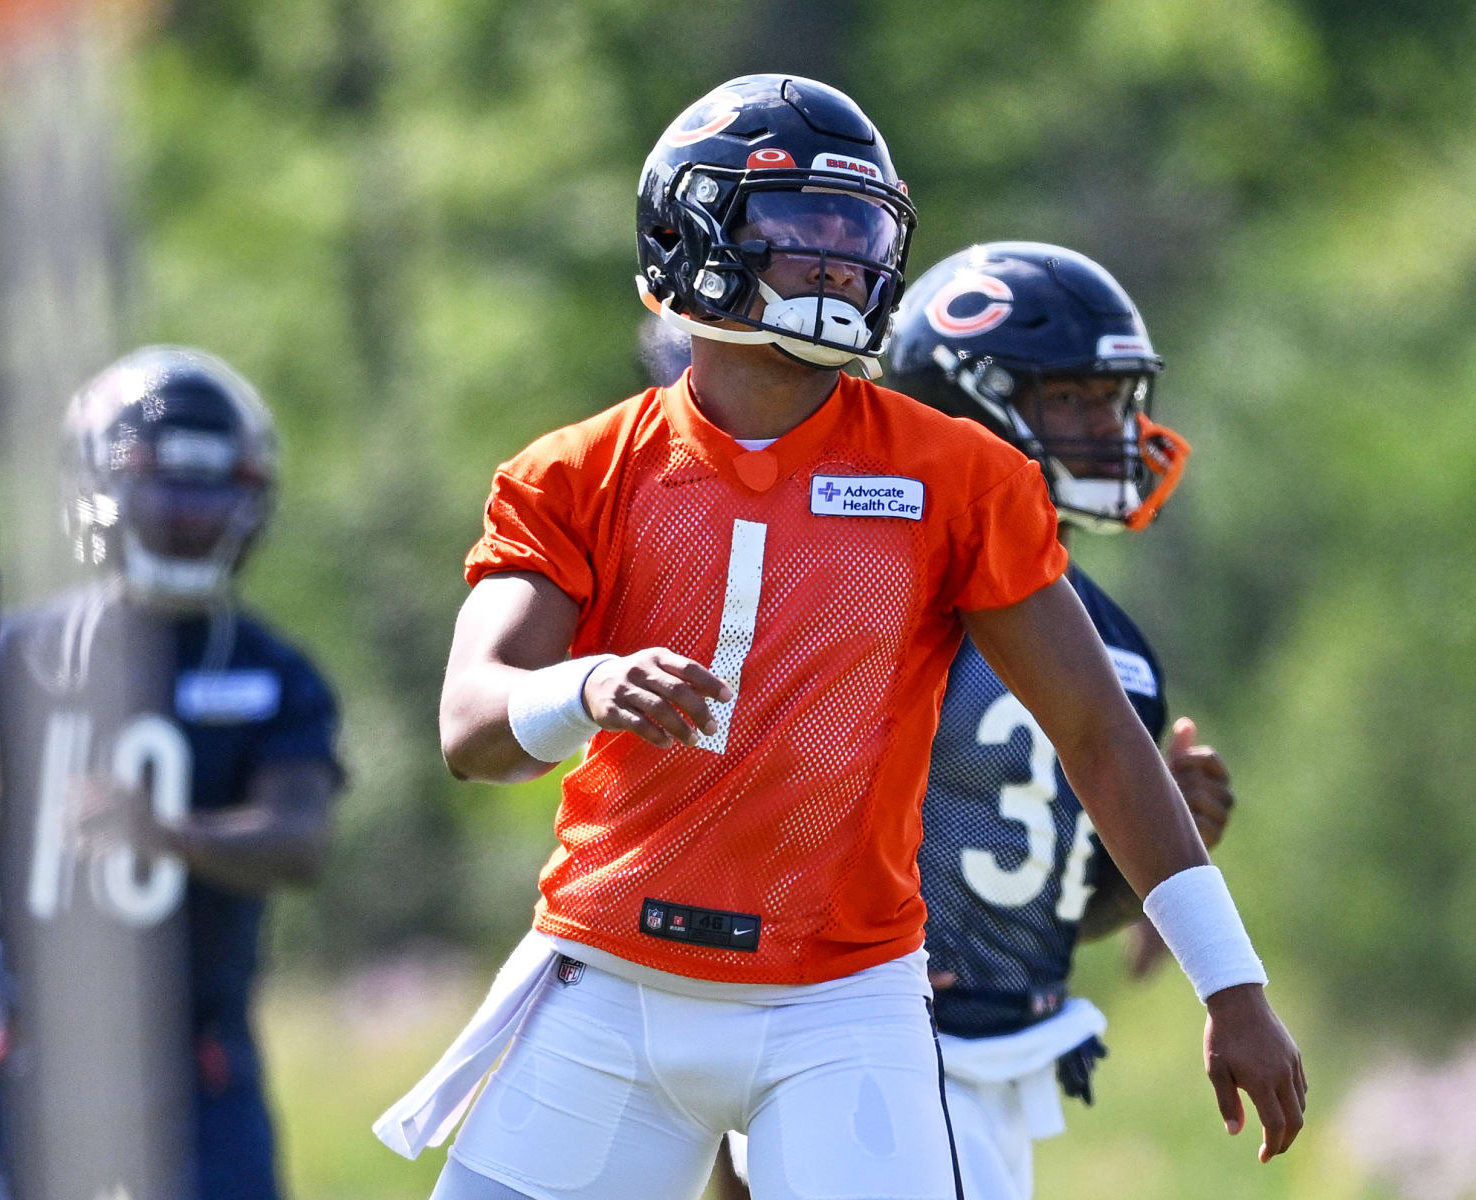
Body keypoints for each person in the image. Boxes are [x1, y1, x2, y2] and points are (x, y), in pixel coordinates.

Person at [374, 75, 1304, 1200]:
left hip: (838, 1002)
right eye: (799, 229)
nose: (837, 262)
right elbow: (474, 728)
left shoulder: (956, 475)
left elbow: (1099, 736)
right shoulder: (577, 471)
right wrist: (588, 685)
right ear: (690, 232)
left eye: (854, 232)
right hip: (612, 978)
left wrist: (1233, 986)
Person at [711, 244, 1235, 1200]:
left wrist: (1154, 864)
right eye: (1070, 401)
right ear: (972, 403)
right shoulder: (876, 600)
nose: (1106, 429)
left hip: (999, 1053)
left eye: (1110, 399)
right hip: (853, 1036)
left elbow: (1024, 906)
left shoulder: (1114, 650)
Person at [0, 347, 343, 1200]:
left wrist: (168, 835)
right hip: (29, 1039)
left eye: (210, 489)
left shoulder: (270, 668)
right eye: (163, 486)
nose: (187, 513)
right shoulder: (22, 653)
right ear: (101, 487)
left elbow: (301, 842)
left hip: (195, 1050)